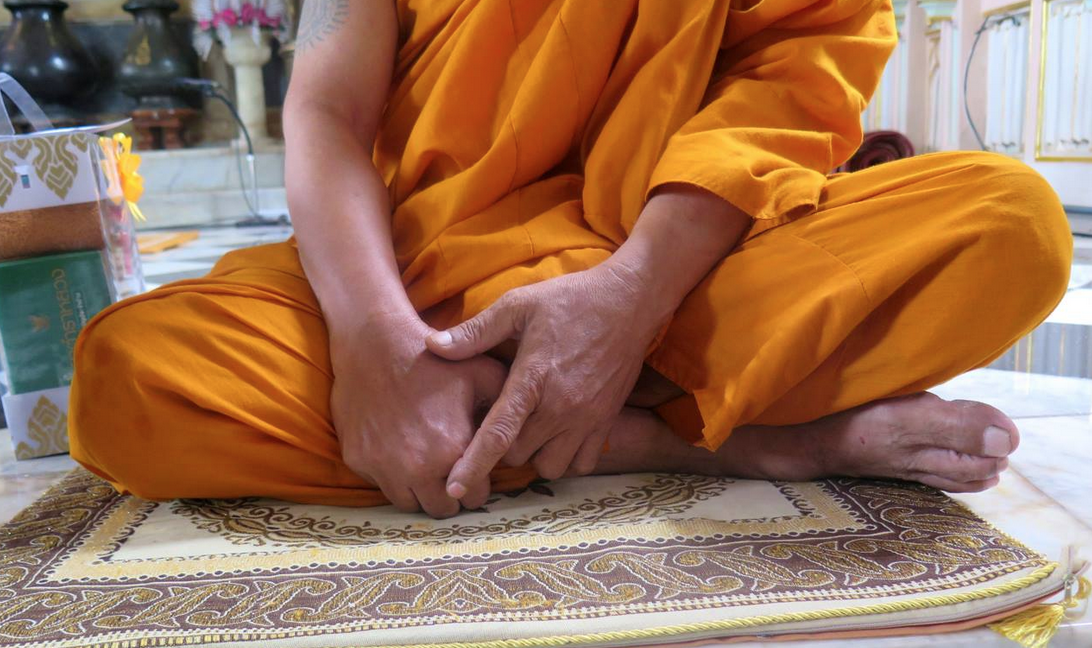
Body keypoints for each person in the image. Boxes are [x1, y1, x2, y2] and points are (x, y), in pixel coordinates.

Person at [68, 0, 1072, 519]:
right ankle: (741, 442)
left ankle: (501, 412)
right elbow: (327, 111)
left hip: (682, 267)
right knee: (132, 384)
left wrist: (630, 297)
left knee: (1007, 226)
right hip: (420, 280)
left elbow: (794, 83)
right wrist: (374, 344)